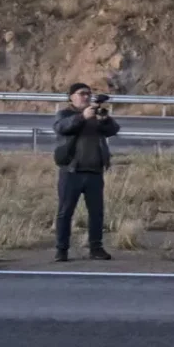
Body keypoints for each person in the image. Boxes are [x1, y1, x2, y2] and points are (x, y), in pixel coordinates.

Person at [53, 84, 120, 262]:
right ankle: (61, 250)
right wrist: (82, 116)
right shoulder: (65, 114)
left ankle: (96, 248)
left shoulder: (95, 115)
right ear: (71, 97)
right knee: (65, 212)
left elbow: (113, 130)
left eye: (88, 94)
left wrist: (104, 119)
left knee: (96, 213)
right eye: (82, 93)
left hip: (94, 172)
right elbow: (62, 128)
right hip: (71, 171)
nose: (86, 97)